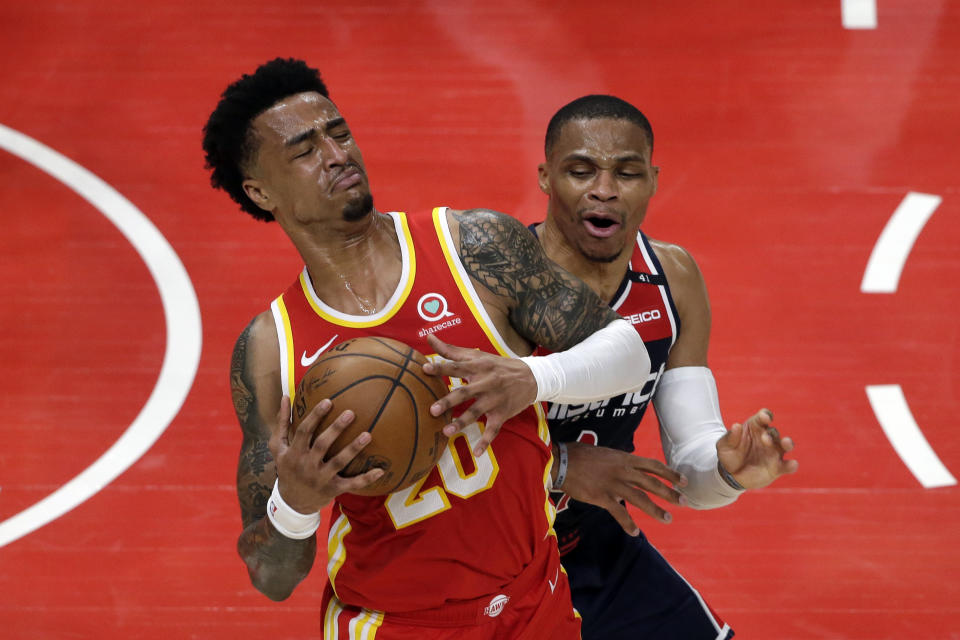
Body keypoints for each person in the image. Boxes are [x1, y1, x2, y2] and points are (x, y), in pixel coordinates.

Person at [202, 59, 655, 640]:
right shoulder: (271, 349)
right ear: (260, 190)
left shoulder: (473, 245)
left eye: (338, 133)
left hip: (534, 599)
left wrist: (535, 379)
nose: (337, 154)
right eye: (304, 150)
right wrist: (296, 503)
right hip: (399, 625)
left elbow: (626, 351)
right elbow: (270, 575)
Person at [531, 95, 800, 640]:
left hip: (595, 546)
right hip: (484, 555)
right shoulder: (496, 283)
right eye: (580, 171)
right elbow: (428, 448)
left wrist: (729, 472)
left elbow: (691, 466)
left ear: (653, 181)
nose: (603, 189)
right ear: (545, 177)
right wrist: (560, 467)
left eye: (626, 172)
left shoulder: (671, 278)